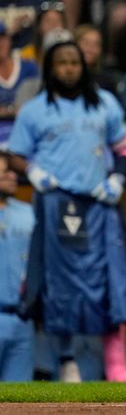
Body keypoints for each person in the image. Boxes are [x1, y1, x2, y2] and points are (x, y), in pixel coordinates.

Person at [8, 29, 126, 383]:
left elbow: (125, 150)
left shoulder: (105, 103)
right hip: (57, 202)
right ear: (50, 69)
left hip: (98, 200)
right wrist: (33, 172)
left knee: (111, 277)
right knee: (60, 283)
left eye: (74, 62)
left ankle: (116, 364)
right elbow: (16, 155)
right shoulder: (34, 111)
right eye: (61, 63)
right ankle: (65, 361)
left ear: (84, 66)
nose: (68, 69)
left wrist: (118, 179)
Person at [0, 152, 35, 382]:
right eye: (5, 171)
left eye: (14, 171)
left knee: (19, 399)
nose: (13, 176)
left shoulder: (28, 213)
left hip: (22, 317)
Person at [0, 22, 39, 117]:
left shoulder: (30, 68)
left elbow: (38, 103)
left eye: (2, 38)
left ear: (9, 40)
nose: (0, 44)